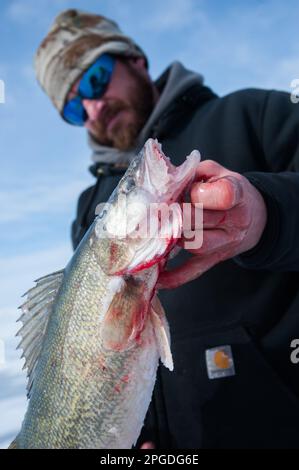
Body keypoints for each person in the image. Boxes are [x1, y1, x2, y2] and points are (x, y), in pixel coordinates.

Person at [34, 9, 299, 449]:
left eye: (95, 79)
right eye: (74, 107)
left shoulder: (253, 115)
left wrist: (268, 214)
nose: (94, 106)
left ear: (134, 59)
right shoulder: (89, 210)